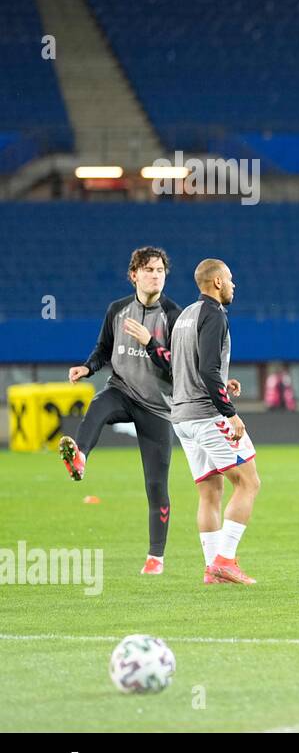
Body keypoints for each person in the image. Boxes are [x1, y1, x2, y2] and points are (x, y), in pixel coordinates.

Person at [58, 246, 181, 575]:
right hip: (122, 389)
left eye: (160, 270)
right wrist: (87, 368)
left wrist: (149, 343)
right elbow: (103, 350)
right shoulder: (116, 310)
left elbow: (178, 367)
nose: (155, 275)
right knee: (98, 403)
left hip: (157, 407)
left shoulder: (174, 316)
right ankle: (80, 457)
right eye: (149, 269)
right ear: (134, 275)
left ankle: (156, 558)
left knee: (156, 484)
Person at [169, 258, 260, 585]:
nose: (234, 285)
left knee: (210, 492)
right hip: (207, 415)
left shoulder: (184, 316)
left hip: (182, 417)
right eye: (231, 279)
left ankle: (212, 569)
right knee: (249, 482)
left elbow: (183, 368)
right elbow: (207, 369)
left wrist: (223, 381)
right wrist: (229, 412)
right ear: (217, 282)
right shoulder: (214, 314)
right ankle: (225, 560)